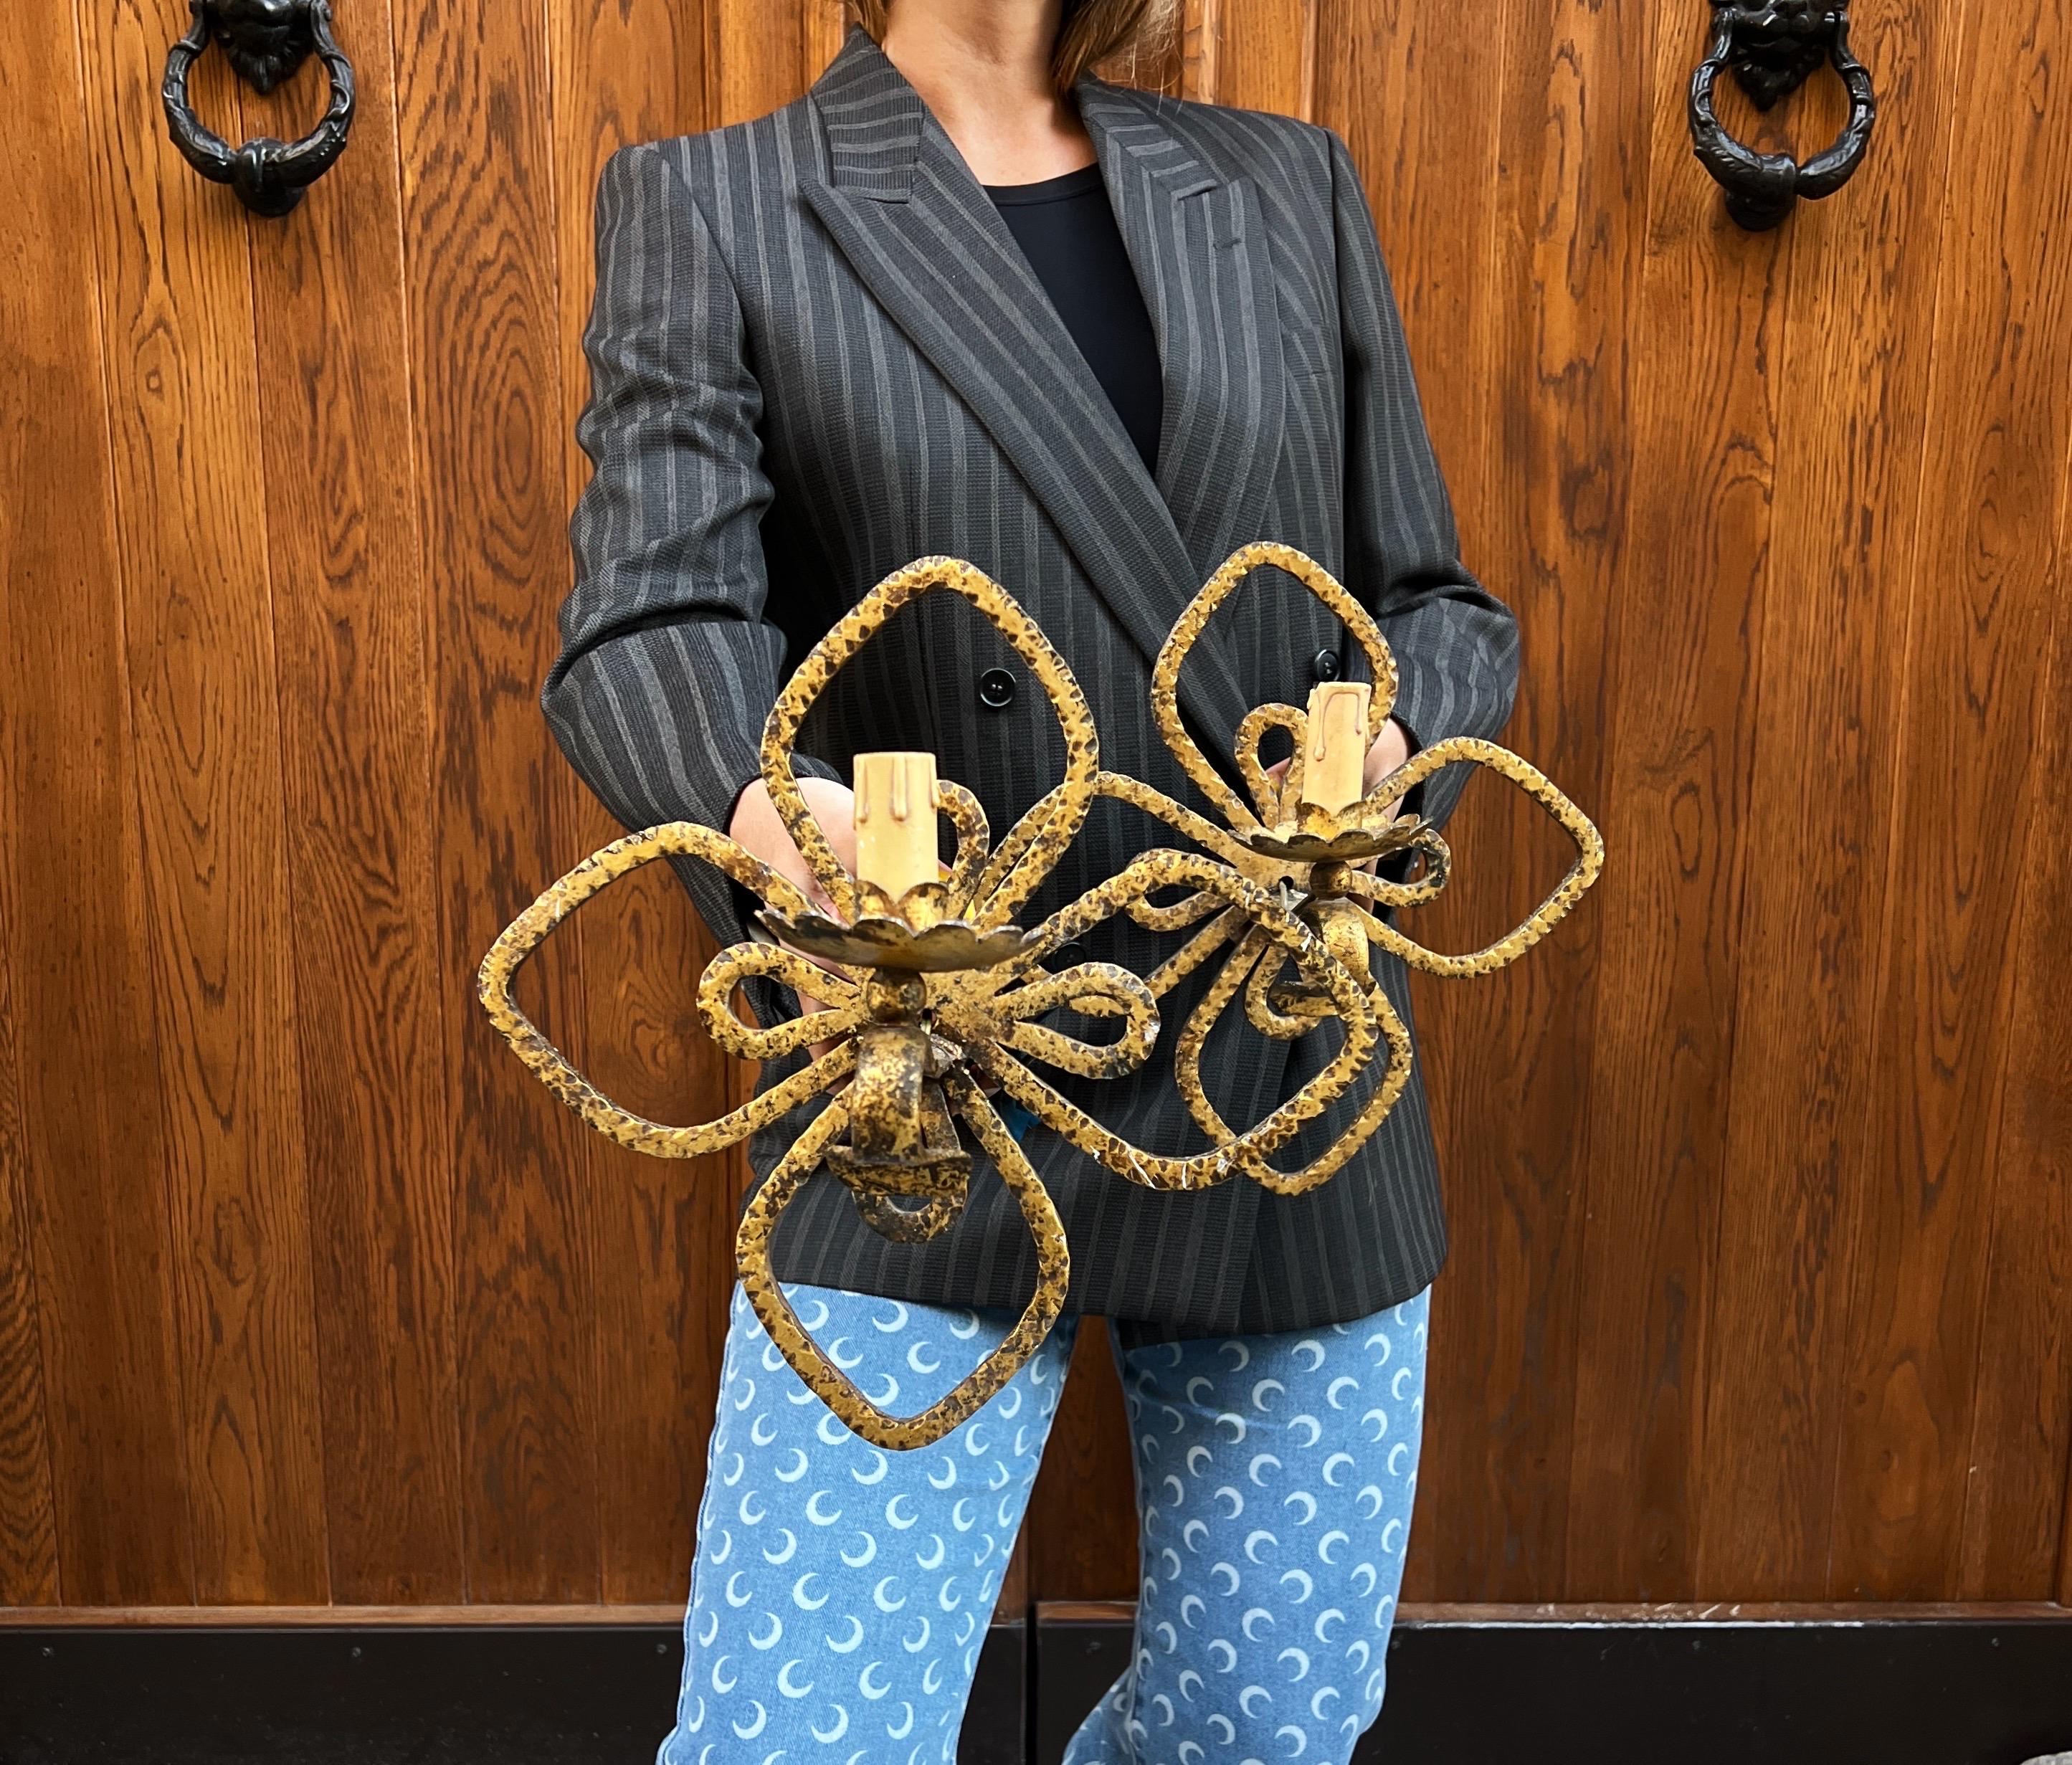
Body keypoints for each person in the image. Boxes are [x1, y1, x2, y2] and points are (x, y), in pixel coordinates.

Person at [546, 0, 1520, 1757]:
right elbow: (646, 632)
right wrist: (811, 850)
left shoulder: (1287, 186)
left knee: (1264, 1733)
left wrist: (1377, 755)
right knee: (794, 1743)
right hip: (925, 1078)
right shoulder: (716, 201)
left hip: (1278, 1060)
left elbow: (1436, 605)